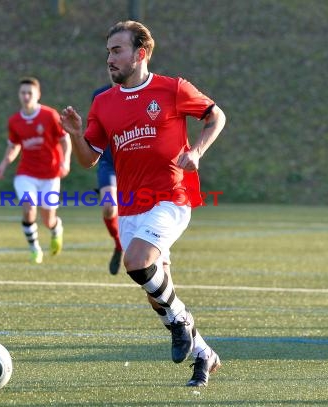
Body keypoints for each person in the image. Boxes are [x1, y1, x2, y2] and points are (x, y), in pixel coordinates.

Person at [61, 21, 226, 387]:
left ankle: (181, 323)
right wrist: (75, 135)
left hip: (172, 196)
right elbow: (89, 158)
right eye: (107, 52)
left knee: (136, 262)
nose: (109, 58)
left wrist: (197, 151)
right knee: (158, 294)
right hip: (131, 206)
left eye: (117, 50)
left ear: (141, 53)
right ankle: (204, 354)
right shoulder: (103, 103)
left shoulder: (172, 89)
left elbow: (217, 116)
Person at [0, 76, 71, 264]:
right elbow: (14, 145)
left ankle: (56, 228)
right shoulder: (14, 121)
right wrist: (4, 163)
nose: (26, 96)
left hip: (50, 174)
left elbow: (64, 139)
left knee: (47, 219)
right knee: (29, 208)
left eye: (30, 93)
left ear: (38, 95)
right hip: (26, 174)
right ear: (19, 95)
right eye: (23, 93)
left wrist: (66, 161)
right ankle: (34, 248)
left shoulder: (49, 115)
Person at [91, 83, 123, 275]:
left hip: (135, 164)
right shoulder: (99, 95)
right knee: (109, 206)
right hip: (109, 163)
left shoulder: (143, 92)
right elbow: (95, 129)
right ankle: (119, 245)